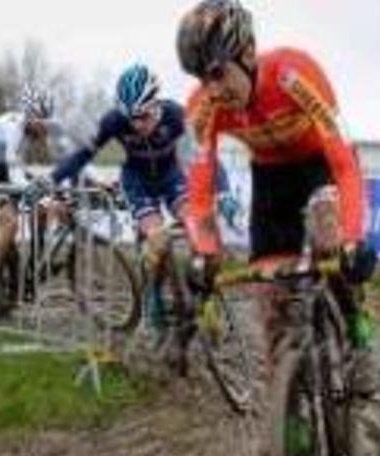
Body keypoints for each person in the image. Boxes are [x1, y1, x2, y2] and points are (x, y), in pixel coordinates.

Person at [176, 0, 378, 396]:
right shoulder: (202, 107)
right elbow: (198, 191)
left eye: (218, 73)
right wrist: (205, 251)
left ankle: (358, 334)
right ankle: (288, 414)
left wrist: (353, 239)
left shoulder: (293, 74)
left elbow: (344, 161)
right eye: (202, 78)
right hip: (270, 176)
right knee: (271, 296)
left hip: (319, 163)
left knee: (328, 239)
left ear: (248, 53)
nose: (213, 89)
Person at [46, 63, 239, 336]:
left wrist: (225, 191)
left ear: (156, 104)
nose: (138, 125)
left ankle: (204, 297)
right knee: (157, 239)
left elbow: (205, 154)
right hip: (137, 182)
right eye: (131, 118)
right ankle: (153, 295)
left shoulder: (175, 115)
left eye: (144, 116)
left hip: (171, 177)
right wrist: (52, 180)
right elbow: (82, 155)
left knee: (203, 230)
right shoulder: (114, 121)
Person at [0, 85, 73, 316]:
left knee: (42, 202)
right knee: (11, 221)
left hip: (2, 168)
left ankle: (30, 271)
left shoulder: (38, 128)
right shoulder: (13, 128)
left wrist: (85, 182)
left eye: (47, 119)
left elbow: (68, 158)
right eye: (40, 120)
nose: (45, 126)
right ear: (28, 116)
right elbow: (13, 175)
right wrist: (44, 197)